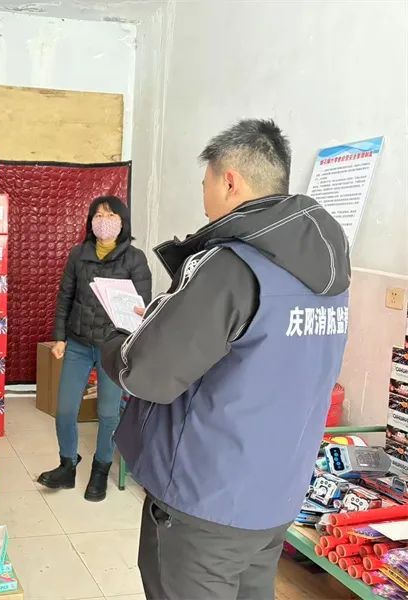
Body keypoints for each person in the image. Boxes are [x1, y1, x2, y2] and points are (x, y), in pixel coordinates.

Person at [102, 119, 350, 599]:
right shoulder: (328, 272)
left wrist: (117, 342)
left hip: (205, 499)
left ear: (230, 180)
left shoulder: (231, 263)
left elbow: (147, 373)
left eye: (205, 183)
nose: (204, 196)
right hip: (276, 495)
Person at [38, 196, 151, 502]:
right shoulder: (78, 254)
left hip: (112, 347)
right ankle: (67, 465)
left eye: (110, 215)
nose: (104, 221)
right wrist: (59, 337)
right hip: (77, 342)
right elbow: (65, 296)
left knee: (108, 413)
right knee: (65, 409)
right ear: (90, 222)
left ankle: (100, 470)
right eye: (98, 215)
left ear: (122, 222)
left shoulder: (135, 259)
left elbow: (142, 307)